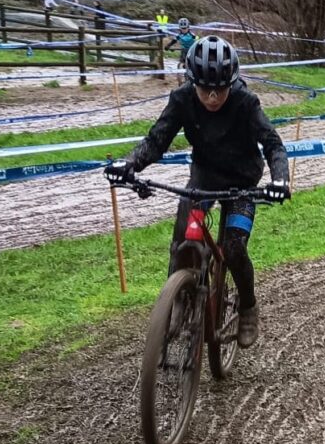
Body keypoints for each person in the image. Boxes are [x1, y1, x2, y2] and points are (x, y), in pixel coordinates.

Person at [105, 36, 289, 348]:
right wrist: (130, 163)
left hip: (242, 181)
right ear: (193, 83)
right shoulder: (181, 99)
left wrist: (280, 180)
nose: (213, 97)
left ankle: (248, 307)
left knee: (233, 248)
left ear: (232, 83)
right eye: (205, 89)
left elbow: (273, 144)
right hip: (205, 176)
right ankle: (177, 300)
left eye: (220, 89)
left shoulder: (246, 102)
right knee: (183, 235)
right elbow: (157, 140)